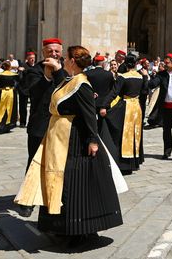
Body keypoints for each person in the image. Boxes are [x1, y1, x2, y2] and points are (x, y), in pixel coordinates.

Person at [14, 46, 125, 248]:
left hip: (74, 140)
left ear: (73, 60)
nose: (63, 60)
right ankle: (60, 227)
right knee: (60, 181)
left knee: (73, 184)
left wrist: (92, 140)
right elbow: (61, 88)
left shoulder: (82, 84)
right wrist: (56, 71)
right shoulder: (70, 80)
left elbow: (89, 113)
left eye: (65, 58)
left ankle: (79, 231)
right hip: (60, 138)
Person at [20, 38, 67, 181]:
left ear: (61, 52)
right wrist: (46, 76)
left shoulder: (68, 69)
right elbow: (29, 92)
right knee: (35, 162)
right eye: (50, 51)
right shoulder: (34, 71)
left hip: (62, 126)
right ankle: (27, 200)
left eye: (56, 51)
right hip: (40, 125)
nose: (53, 54)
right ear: (43, 52)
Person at [110, 52, 147, 173]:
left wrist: (104, 104)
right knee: (135, 134)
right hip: (137, 106)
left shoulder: (123, 77)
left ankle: (125, 163)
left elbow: (115, 92)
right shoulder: (141, 77)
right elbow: (144, 91)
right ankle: (135, 161)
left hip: (126, 106)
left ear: (126, 64)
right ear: (135, 64)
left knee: (124, 134)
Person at [18, 51, 36, 127]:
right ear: (27, 59)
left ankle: (32, 122)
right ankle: (22, 122)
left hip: (34, 89)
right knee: (23, 107)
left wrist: (25, 70)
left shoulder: (36, 67)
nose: (32, 60)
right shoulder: (24, 65)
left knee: (34, 107)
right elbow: (19, 76)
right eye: (30, 58)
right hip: (24, 89)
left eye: (33, 58)